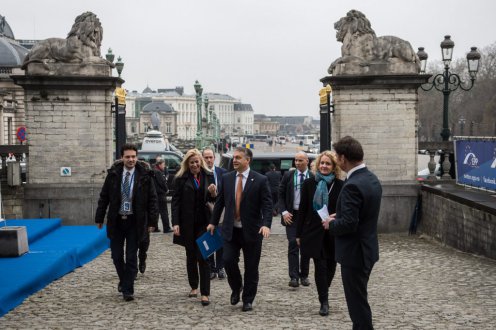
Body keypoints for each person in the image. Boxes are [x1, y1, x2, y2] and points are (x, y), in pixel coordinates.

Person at [207, 147, 273, 312]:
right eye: (234, 157)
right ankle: (236, 288)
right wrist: (213, 222)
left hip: (252, 231)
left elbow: (267, 204)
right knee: (228, 260)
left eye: (238, 158)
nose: (234, 160)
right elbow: (220, 202)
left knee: (251, 267)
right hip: (231, 230)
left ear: (247, 160)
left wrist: (266, 224)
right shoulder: (227, 178)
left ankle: (248, 299)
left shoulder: (260, 180)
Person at [328, 136, 382, 329]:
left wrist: (330, 224)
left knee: (357, 305)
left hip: (354, 253)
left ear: (343, 158)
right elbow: (362, 213)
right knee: (359, 300)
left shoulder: (351, 185)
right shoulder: (371, 179)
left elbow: (349, 224)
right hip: (367, 249)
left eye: (336, 157)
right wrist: (340, 215)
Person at [95, 143, 158, 301]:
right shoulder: (114, 174)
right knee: (116, 256)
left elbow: (153, 200)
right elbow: (104, 197)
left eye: (133, 157)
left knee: (131, 257)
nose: (131, 159)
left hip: (134, 222)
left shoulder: (145, 175)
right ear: (122, 157)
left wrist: (152, 221)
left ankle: (128, 289)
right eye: (128, 157)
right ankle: (124, 280)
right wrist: (99, 217)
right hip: (116, 221)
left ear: (137, 157)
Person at [296, 150, 344, 316]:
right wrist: (298, 234)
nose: (324, 166)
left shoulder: (340, 185)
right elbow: (302, 210)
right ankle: (324, 301)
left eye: (328, 163)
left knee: (331, 267)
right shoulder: (309, 184)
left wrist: (336, 216)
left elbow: (343, 209)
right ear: (317, 165)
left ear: (334, 167)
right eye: (322, 163)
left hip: (333, 232)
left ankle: (324, 289)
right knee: (320, 266)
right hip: (313, 232)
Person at [172, 148, 217, 306]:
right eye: (191, 162)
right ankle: (193, 286)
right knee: (191, 255)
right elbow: (175, 202)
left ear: (201, 162)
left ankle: (205, 293)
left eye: (197, 162)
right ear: (187, 164)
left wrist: (213, 193)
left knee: (203, 256)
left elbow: (215, 200)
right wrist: (175, 223)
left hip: (204, 223)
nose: (194, 165)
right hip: (187, 223)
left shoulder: (209, 176)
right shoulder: (180, 179)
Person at [278, 151, 312, 288]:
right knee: (293, 243)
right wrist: (284, 211)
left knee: (305, 246)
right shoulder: (288, 175)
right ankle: (294, 277)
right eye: (296, 160)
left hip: (307, 217)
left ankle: (304, 275)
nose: (297, 163)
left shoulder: (313, 177)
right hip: (292, 215)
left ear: (307, 161)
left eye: (300, 160)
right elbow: (280, 194)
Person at [202, 148, 227, 280]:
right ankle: (211, 267)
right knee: (209, 240)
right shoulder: (200, 174)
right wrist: (209, 193)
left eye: (211, 157)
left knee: (220, 239)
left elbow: (227, 192)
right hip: (205, 211)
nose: (209, 160)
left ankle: (220, 267)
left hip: (221, 211)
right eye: (206, 157)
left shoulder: (222, 173)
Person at [153, 158, 172, 233]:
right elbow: (162, 182)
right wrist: (166, 189)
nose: (164, 166)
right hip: (160, 194)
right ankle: (166, 228)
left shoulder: (155, 170)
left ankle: (155, 227)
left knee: (156, 211)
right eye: (163, 164)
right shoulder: (158, 172)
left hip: (156, 194)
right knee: (164, 211)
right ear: (160, 164)